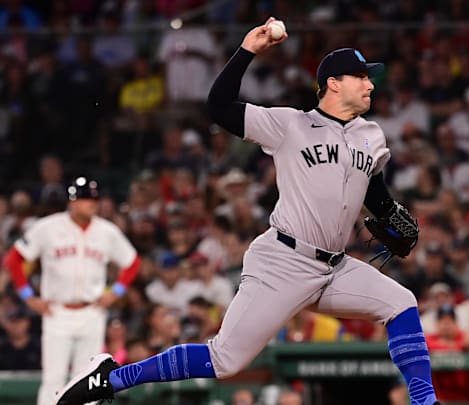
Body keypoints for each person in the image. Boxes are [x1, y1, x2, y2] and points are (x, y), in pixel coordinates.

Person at [55, 18, 442, 405]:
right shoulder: (290, 124)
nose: (370, 84)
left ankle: (424, 401)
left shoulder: (370, 135)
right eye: (361, 76)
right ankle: (111, 379)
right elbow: (219, 107)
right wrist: (247, 51)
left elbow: (371, 188)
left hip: (335, 268)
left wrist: (390, 211)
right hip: (284, 262)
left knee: (402, 303)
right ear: (334, 83)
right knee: (225, 359)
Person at [2, 177, 140, 405]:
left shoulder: (107, 231)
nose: (91, 203)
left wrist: (116, 291)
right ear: (72, 202)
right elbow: (14, 259)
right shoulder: (48, 227)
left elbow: (132, 262)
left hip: (92, 312)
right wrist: (28, 296)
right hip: (57, 312)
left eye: (94, 198)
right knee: (53, 379)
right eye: (86, 198)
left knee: (88, 379)